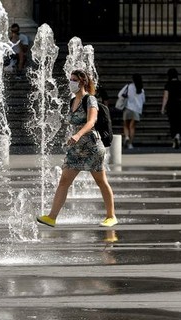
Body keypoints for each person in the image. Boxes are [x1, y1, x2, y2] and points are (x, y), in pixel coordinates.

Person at [36, 69, 117, 228]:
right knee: (64, 181)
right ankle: (52, 217)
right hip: (76, 148)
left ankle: (111, 216)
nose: (71, 82)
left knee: (101, 181)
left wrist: (78, 135)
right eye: (71, 79)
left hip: (91, 146)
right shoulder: (72, 101)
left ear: (82, 82)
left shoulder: (90, 100)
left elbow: (91, 122)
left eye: (74, 80)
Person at [161, 68, 181, 149]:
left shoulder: (168, 84)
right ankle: (178, 135)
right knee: (180, 122)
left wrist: (163, 107)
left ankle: (174, 139)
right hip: (180, 104)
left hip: (171, 105)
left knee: (172, 122)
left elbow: (166, 97)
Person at [118, 73, 145, 149]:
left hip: (128, 108)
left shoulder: (128, 86)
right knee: (132, 127)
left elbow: (119, 94)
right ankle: (130, 144)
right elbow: (143, 100)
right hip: (136, 110)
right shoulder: (141, 89)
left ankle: (126, 137)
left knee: (126, 125)